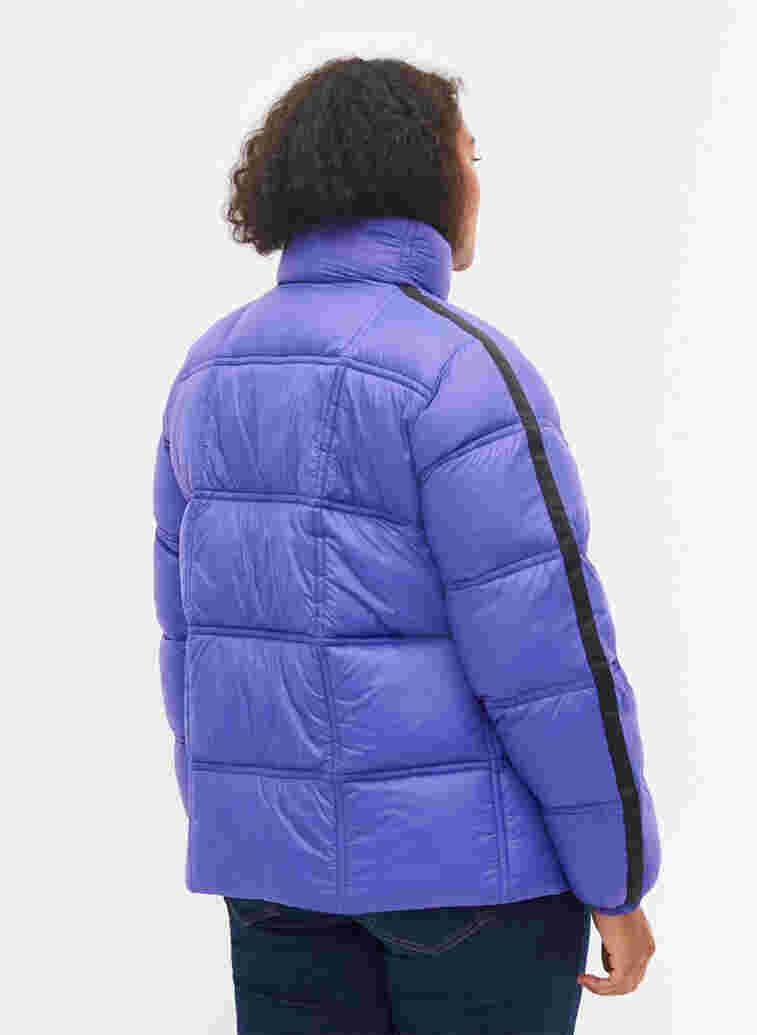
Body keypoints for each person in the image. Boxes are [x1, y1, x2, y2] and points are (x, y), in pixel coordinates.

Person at [152, 55, 660, 1035]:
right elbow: (549, 659)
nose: (477, 179)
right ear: (422, 172)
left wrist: (243, 834)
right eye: (470, 155)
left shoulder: (209, 370)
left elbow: (191, 647)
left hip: (274, 883)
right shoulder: (457, 369)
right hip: (473, 890)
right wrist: (617, 879)